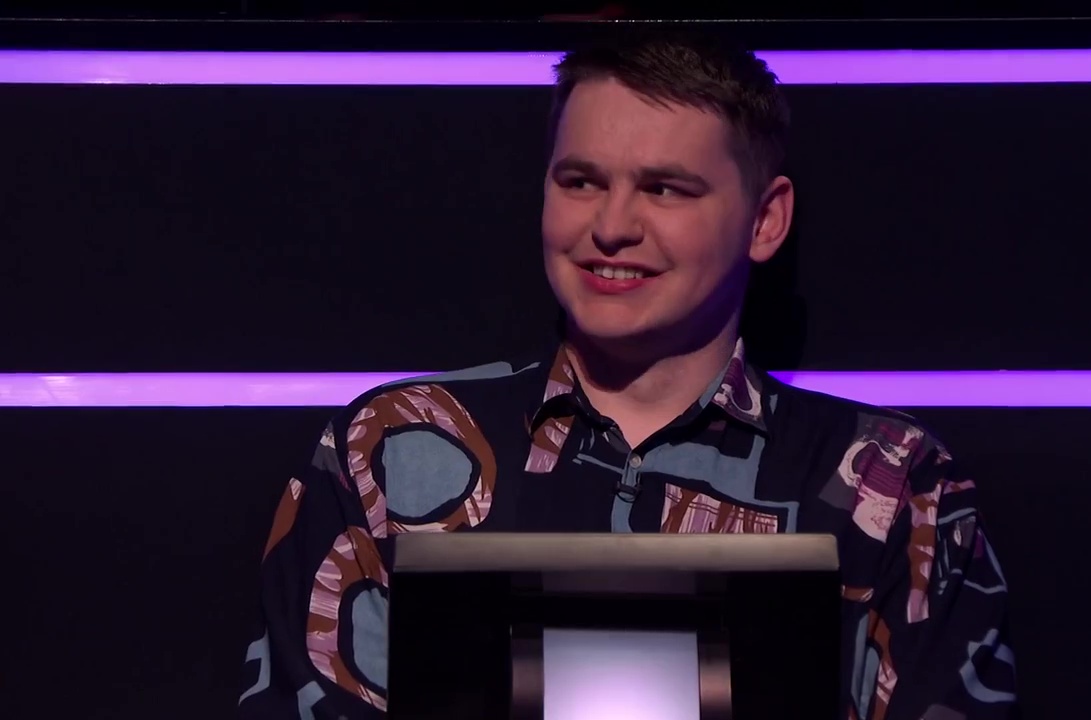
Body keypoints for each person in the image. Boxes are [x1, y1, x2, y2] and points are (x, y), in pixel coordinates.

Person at [236, 29, 1017, 720]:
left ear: (765, 219)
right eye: (580, 181)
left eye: (664, 188)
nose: (610, 227)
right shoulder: (391, 448)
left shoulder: (893, 480)